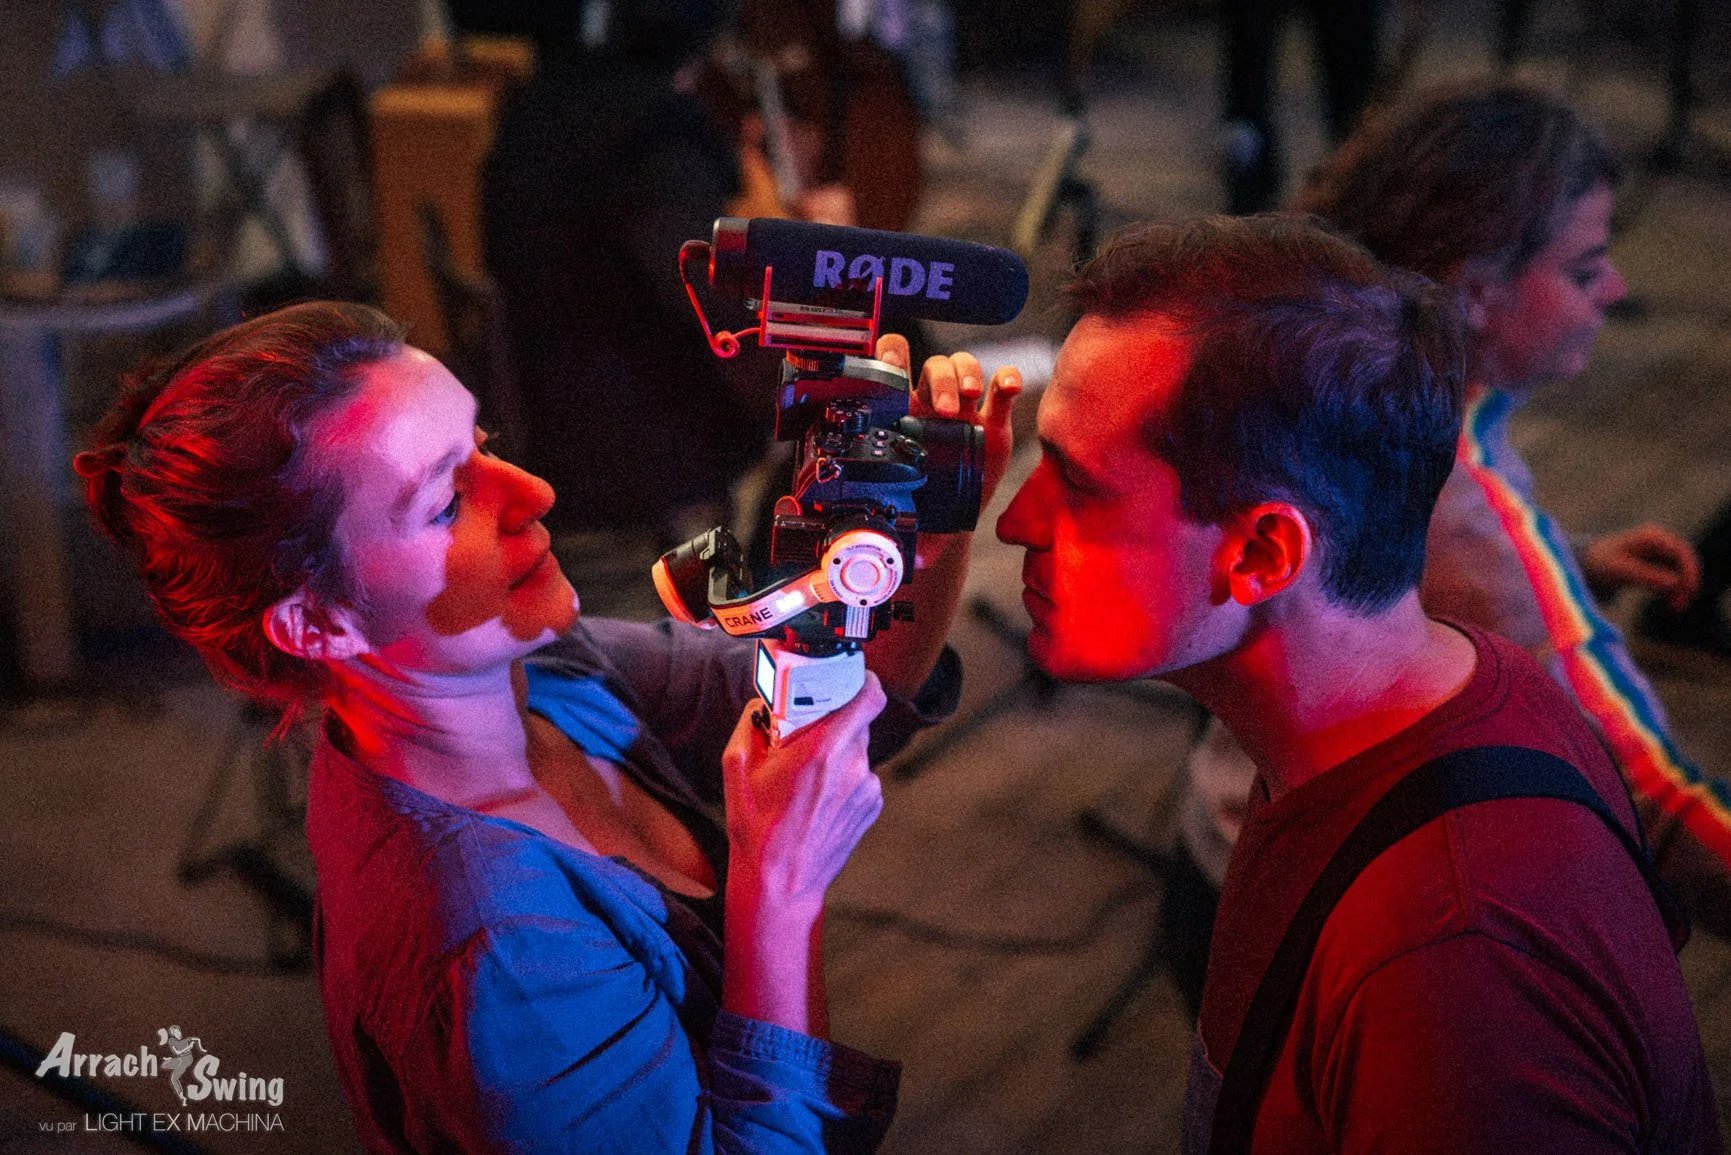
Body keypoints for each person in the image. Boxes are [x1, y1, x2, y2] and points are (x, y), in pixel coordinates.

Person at [74, 301, 1021, 1152]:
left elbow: (853, 686)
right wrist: (779, 891)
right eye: (445, 501)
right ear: (319, 621)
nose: (530, 493)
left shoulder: (544, 670)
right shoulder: (495, 952)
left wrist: (923, 539)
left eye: (483, 442)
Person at [995, 214, 1719, 1151]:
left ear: (1261, 552)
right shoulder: (1439, 684)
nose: (1015, 522)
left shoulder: (1453, 966)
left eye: (1075, 484)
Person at [1173, 85, 1731, 994]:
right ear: (1475, 293)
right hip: (1321, 934)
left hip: (1227, 855)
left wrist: (1571, 556)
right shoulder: (1458, 496)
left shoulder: (1348, 369)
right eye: (1586, 268)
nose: (1615, 289)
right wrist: (1531, 568)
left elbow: (1400, 572)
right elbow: (1652, 802)